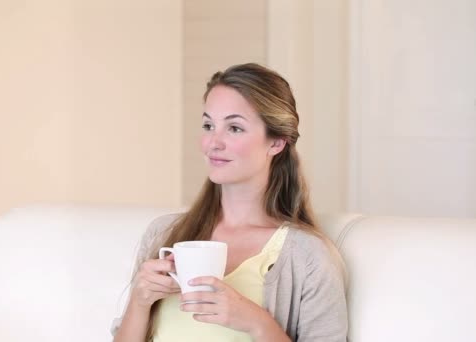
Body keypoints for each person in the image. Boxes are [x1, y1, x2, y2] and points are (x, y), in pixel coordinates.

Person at [112, 63, 348, 341]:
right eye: (209, 125)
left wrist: (257, 323)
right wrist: (140, 302)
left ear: (277, 143)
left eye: (234, 128)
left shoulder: (307, 257)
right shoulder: (164, 234)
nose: (213, 142)